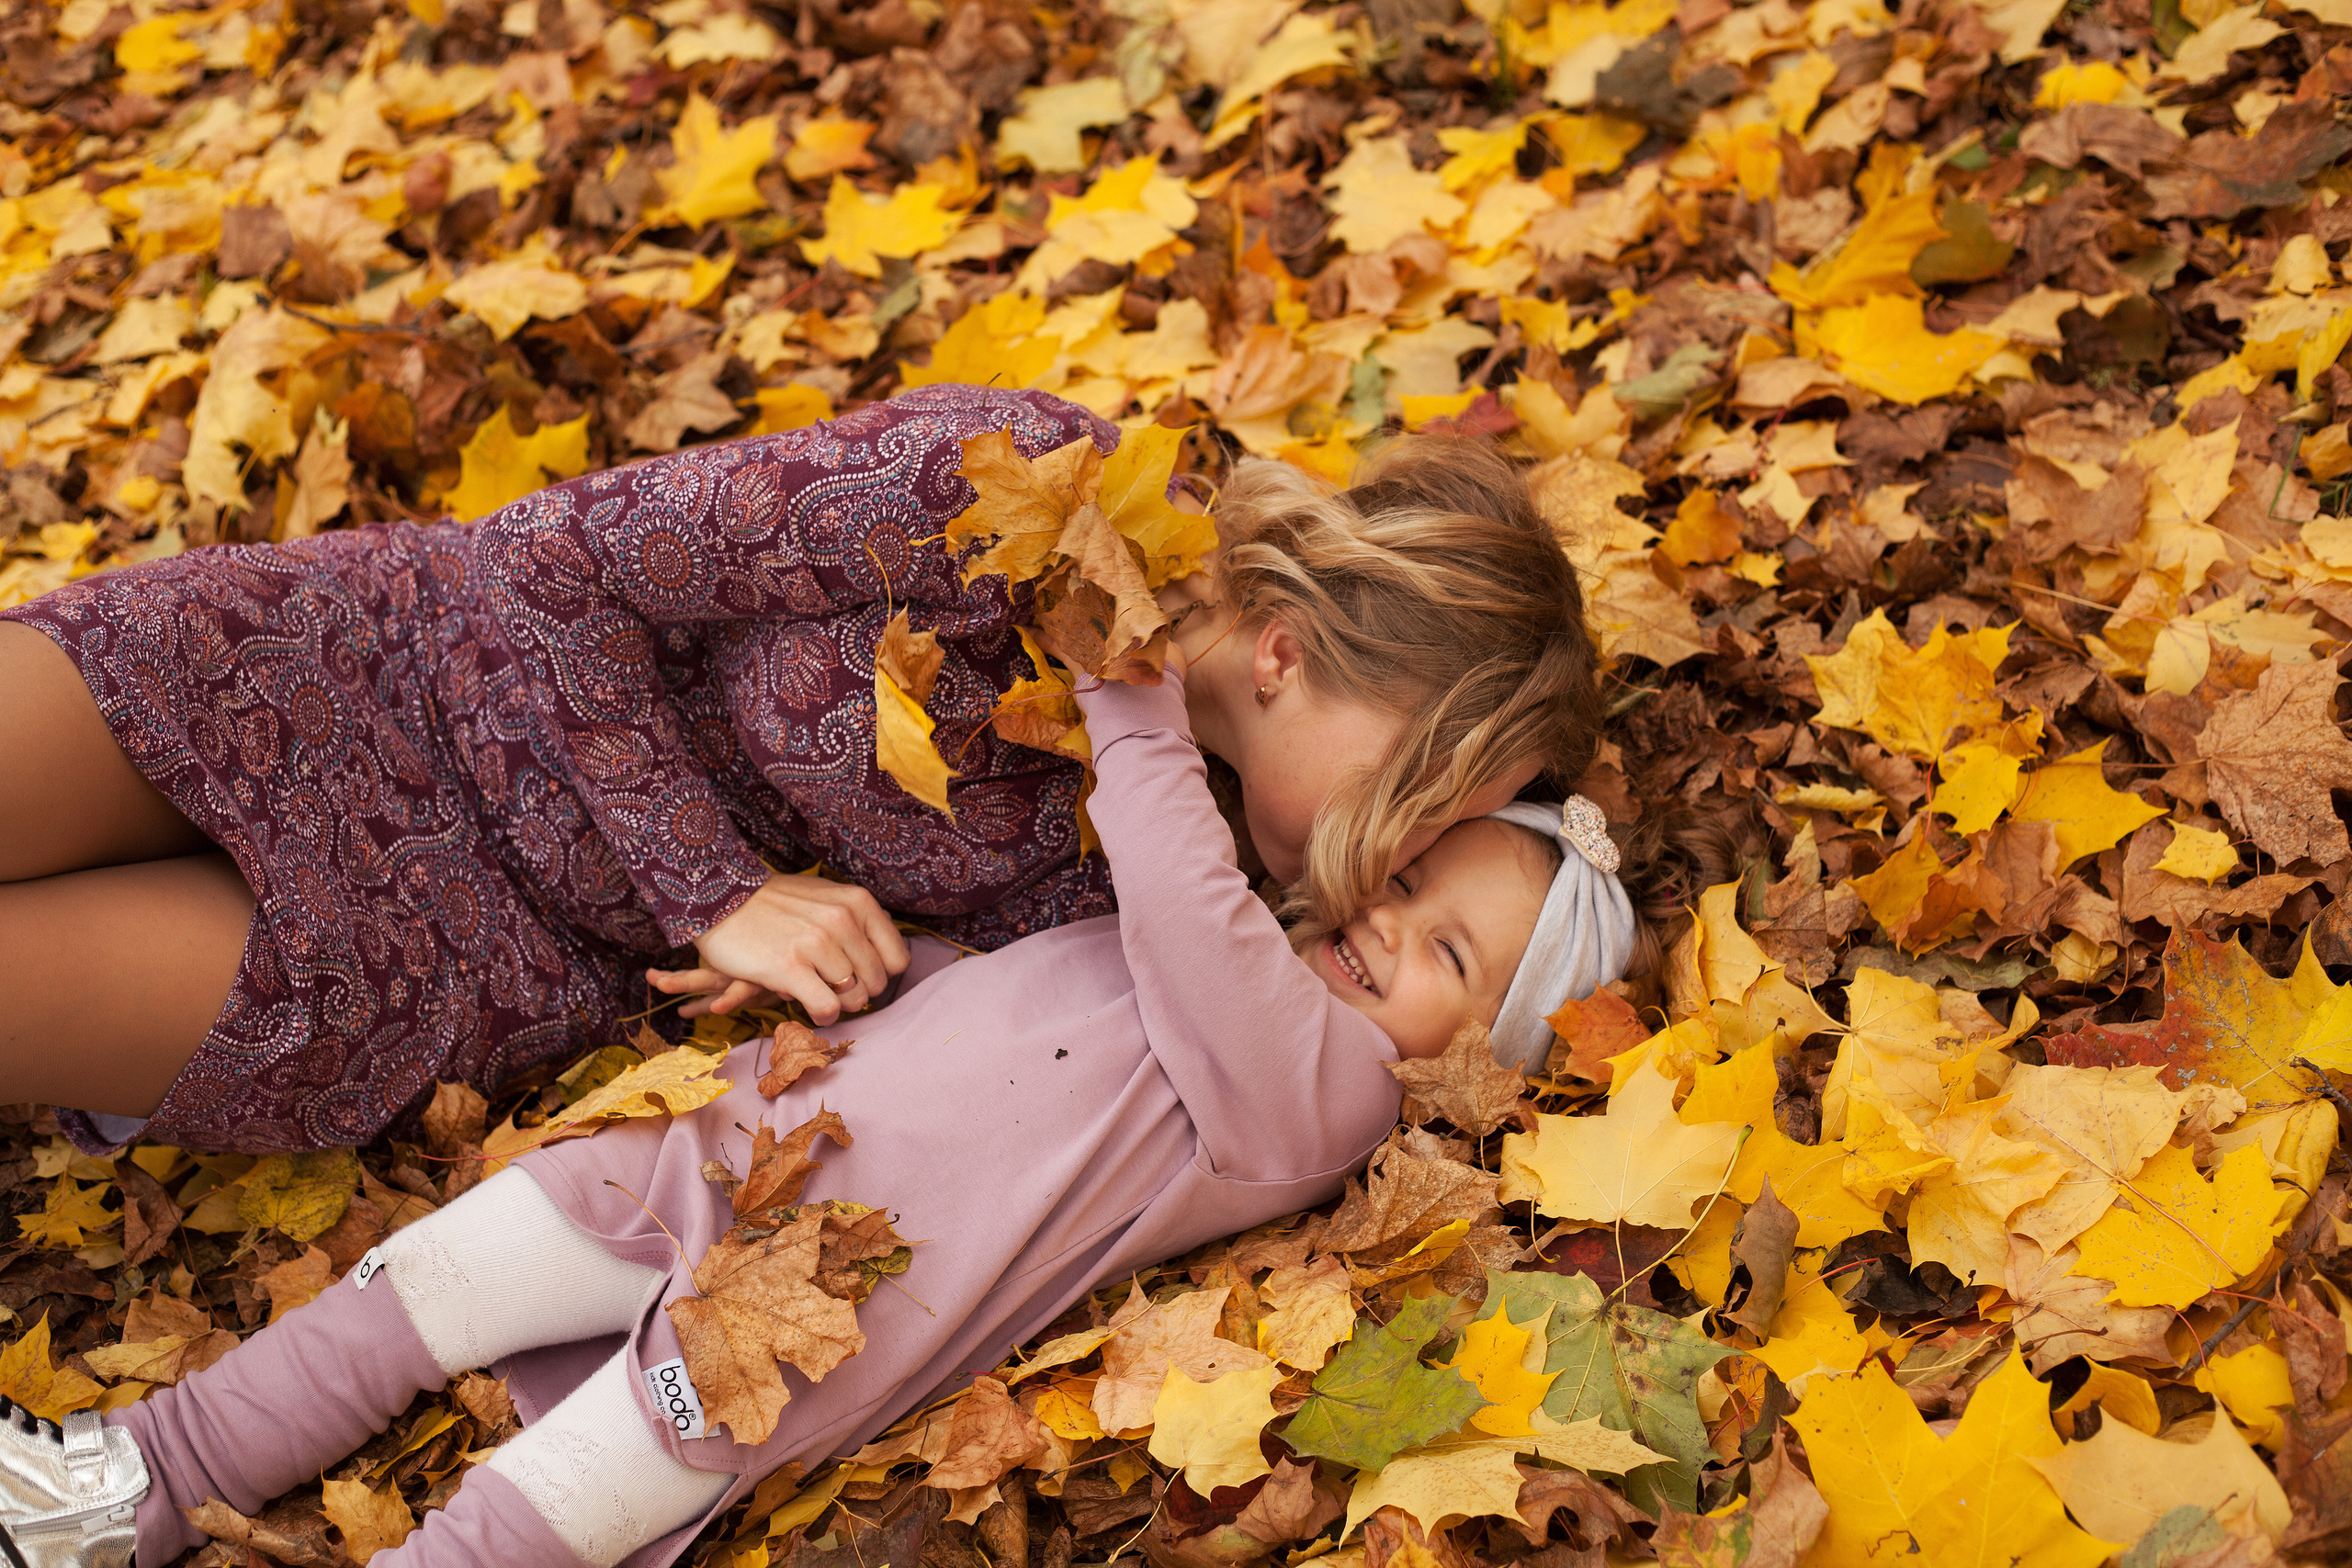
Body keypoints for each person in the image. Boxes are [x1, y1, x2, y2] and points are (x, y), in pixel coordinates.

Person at [0, 649, 1637, 1568]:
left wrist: (1136, 706)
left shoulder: (1323, 1095)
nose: (1385, 929)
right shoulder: (1225, 963)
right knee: (410, 1292)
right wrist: (868, 973)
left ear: (1487, 1051)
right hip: (720, 1150)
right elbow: (1012, 1005)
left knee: (533, 1521)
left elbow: (1189, 910)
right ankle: (125, 1486)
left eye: (1448, 953)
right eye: (1402, 880)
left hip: (824, 1312)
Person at [0, 383, 1600, 1156]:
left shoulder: (1179, 884)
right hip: (359, 669)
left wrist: (796, 969)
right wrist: (720, 889)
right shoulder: (1021, 486)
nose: (1390, 857)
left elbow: (956, 1044)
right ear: (1291, 652)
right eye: (1416, 795)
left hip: (460, 956)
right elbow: (546, 561)